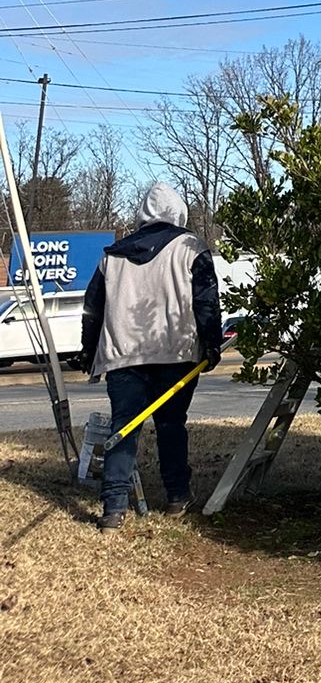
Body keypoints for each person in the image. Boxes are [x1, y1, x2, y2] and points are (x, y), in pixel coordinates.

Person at [80, 183, 223, 531]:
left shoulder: (111, 255)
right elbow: (206, 302)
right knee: (171, 425)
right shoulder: (191, 248)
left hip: (122, 356)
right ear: (179, 212)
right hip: (177, 355)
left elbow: (91, 310)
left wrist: (88, 351)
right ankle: (177, 497)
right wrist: (212, 344)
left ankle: (113, 509)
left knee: (123, 427)